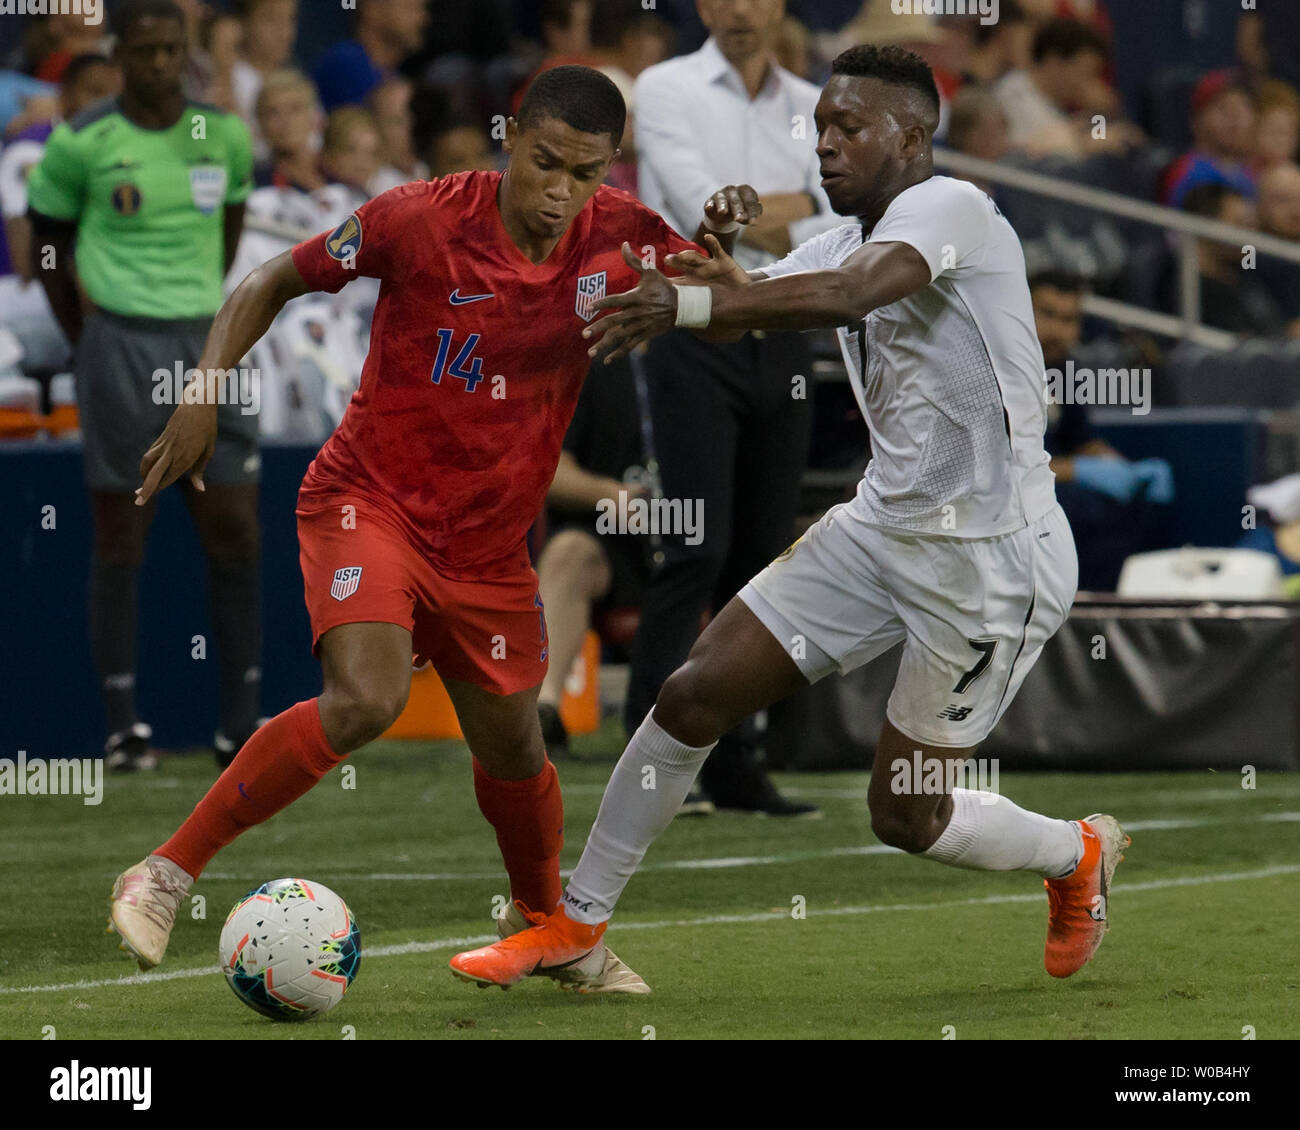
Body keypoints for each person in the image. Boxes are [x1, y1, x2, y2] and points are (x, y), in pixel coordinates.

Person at [450, 45, 1129, 991]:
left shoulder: (952, 210)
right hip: (880, 529)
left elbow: (845, 297)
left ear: (915, 137)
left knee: (907, 816)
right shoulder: (842, 242)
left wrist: (693, 299)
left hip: (992, 563)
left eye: (850, 127)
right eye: (819, 128)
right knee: (690, 695)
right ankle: (577, 924)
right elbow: (748, 307)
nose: (826, 146)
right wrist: (710, 272)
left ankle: (1074, 854)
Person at [106, 63, 749, 995]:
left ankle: (551, 929)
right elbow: (270, 278)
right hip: (370, 502)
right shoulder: (420, 216)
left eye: (585, 172)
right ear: (510, 139)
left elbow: (725, 319)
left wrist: (717, 268)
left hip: (488, 546)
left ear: (612, 167)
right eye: (544, 163)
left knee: (515, 744)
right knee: (365, 699)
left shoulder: (624, 238)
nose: (560, 192)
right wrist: (204, 390)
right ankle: (165, 871)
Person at [26, 0, 259, 773]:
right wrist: (87, 331)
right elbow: (48, 238)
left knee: (232, 526)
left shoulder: (221, 133)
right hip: (118, 339)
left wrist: (202, 316)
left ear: (184, 50)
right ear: (119, 53)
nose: (160, 65)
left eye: (172, 50)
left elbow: (229, 225)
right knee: (123, 531)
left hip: (208, 339)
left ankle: (239, 722)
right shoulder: (82, 139)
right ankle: (125, 726)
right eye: (145, 52)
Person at [622, 0, 842, 817]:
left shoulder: (812, 100)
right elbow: (699, 215)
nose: (740, 9)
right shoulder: (666, 86)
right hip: (692, 324)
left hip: (781, 330)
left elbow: (843, 217)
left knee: (761, 556)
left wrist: (768, 214)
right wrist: (790, 211)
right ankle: (650, 752)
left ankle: (737, 761)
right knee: (694, 545)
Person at [1031, 271, 1174, 591]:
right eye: (1048, 314)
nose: (1057, 331)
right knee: (1089, 509)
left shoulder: (1063, 369)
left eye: (1070, 320)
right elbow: (1000, 468)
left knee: (1140, 506)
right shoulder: (998, 372)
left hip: (1056, 486)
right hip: (1014, 501)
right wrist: (1080, 471)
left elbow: (1082, 442)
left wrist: (1126, 469)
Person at [0, 53, 120, 375]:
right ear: (64, 97)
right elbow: (34, 260)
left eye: (114, 95)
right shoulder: (31, 150)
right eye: (94, 91)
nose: (105, 104)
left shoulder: (124, 152)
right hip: (27, 294)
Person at [1162, 70, 1258, 208]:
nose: (1235, 120)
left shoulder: (1252, 176)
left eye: (1243, 109)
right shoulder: (1184, 173)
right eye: (1224, 108)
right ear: (1197, 119)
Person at [311, 0, 428, 113]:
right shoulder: (346, 63)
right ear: (372, 9)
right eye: (410, 8)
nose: (422, 19)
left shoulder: (394, 75)